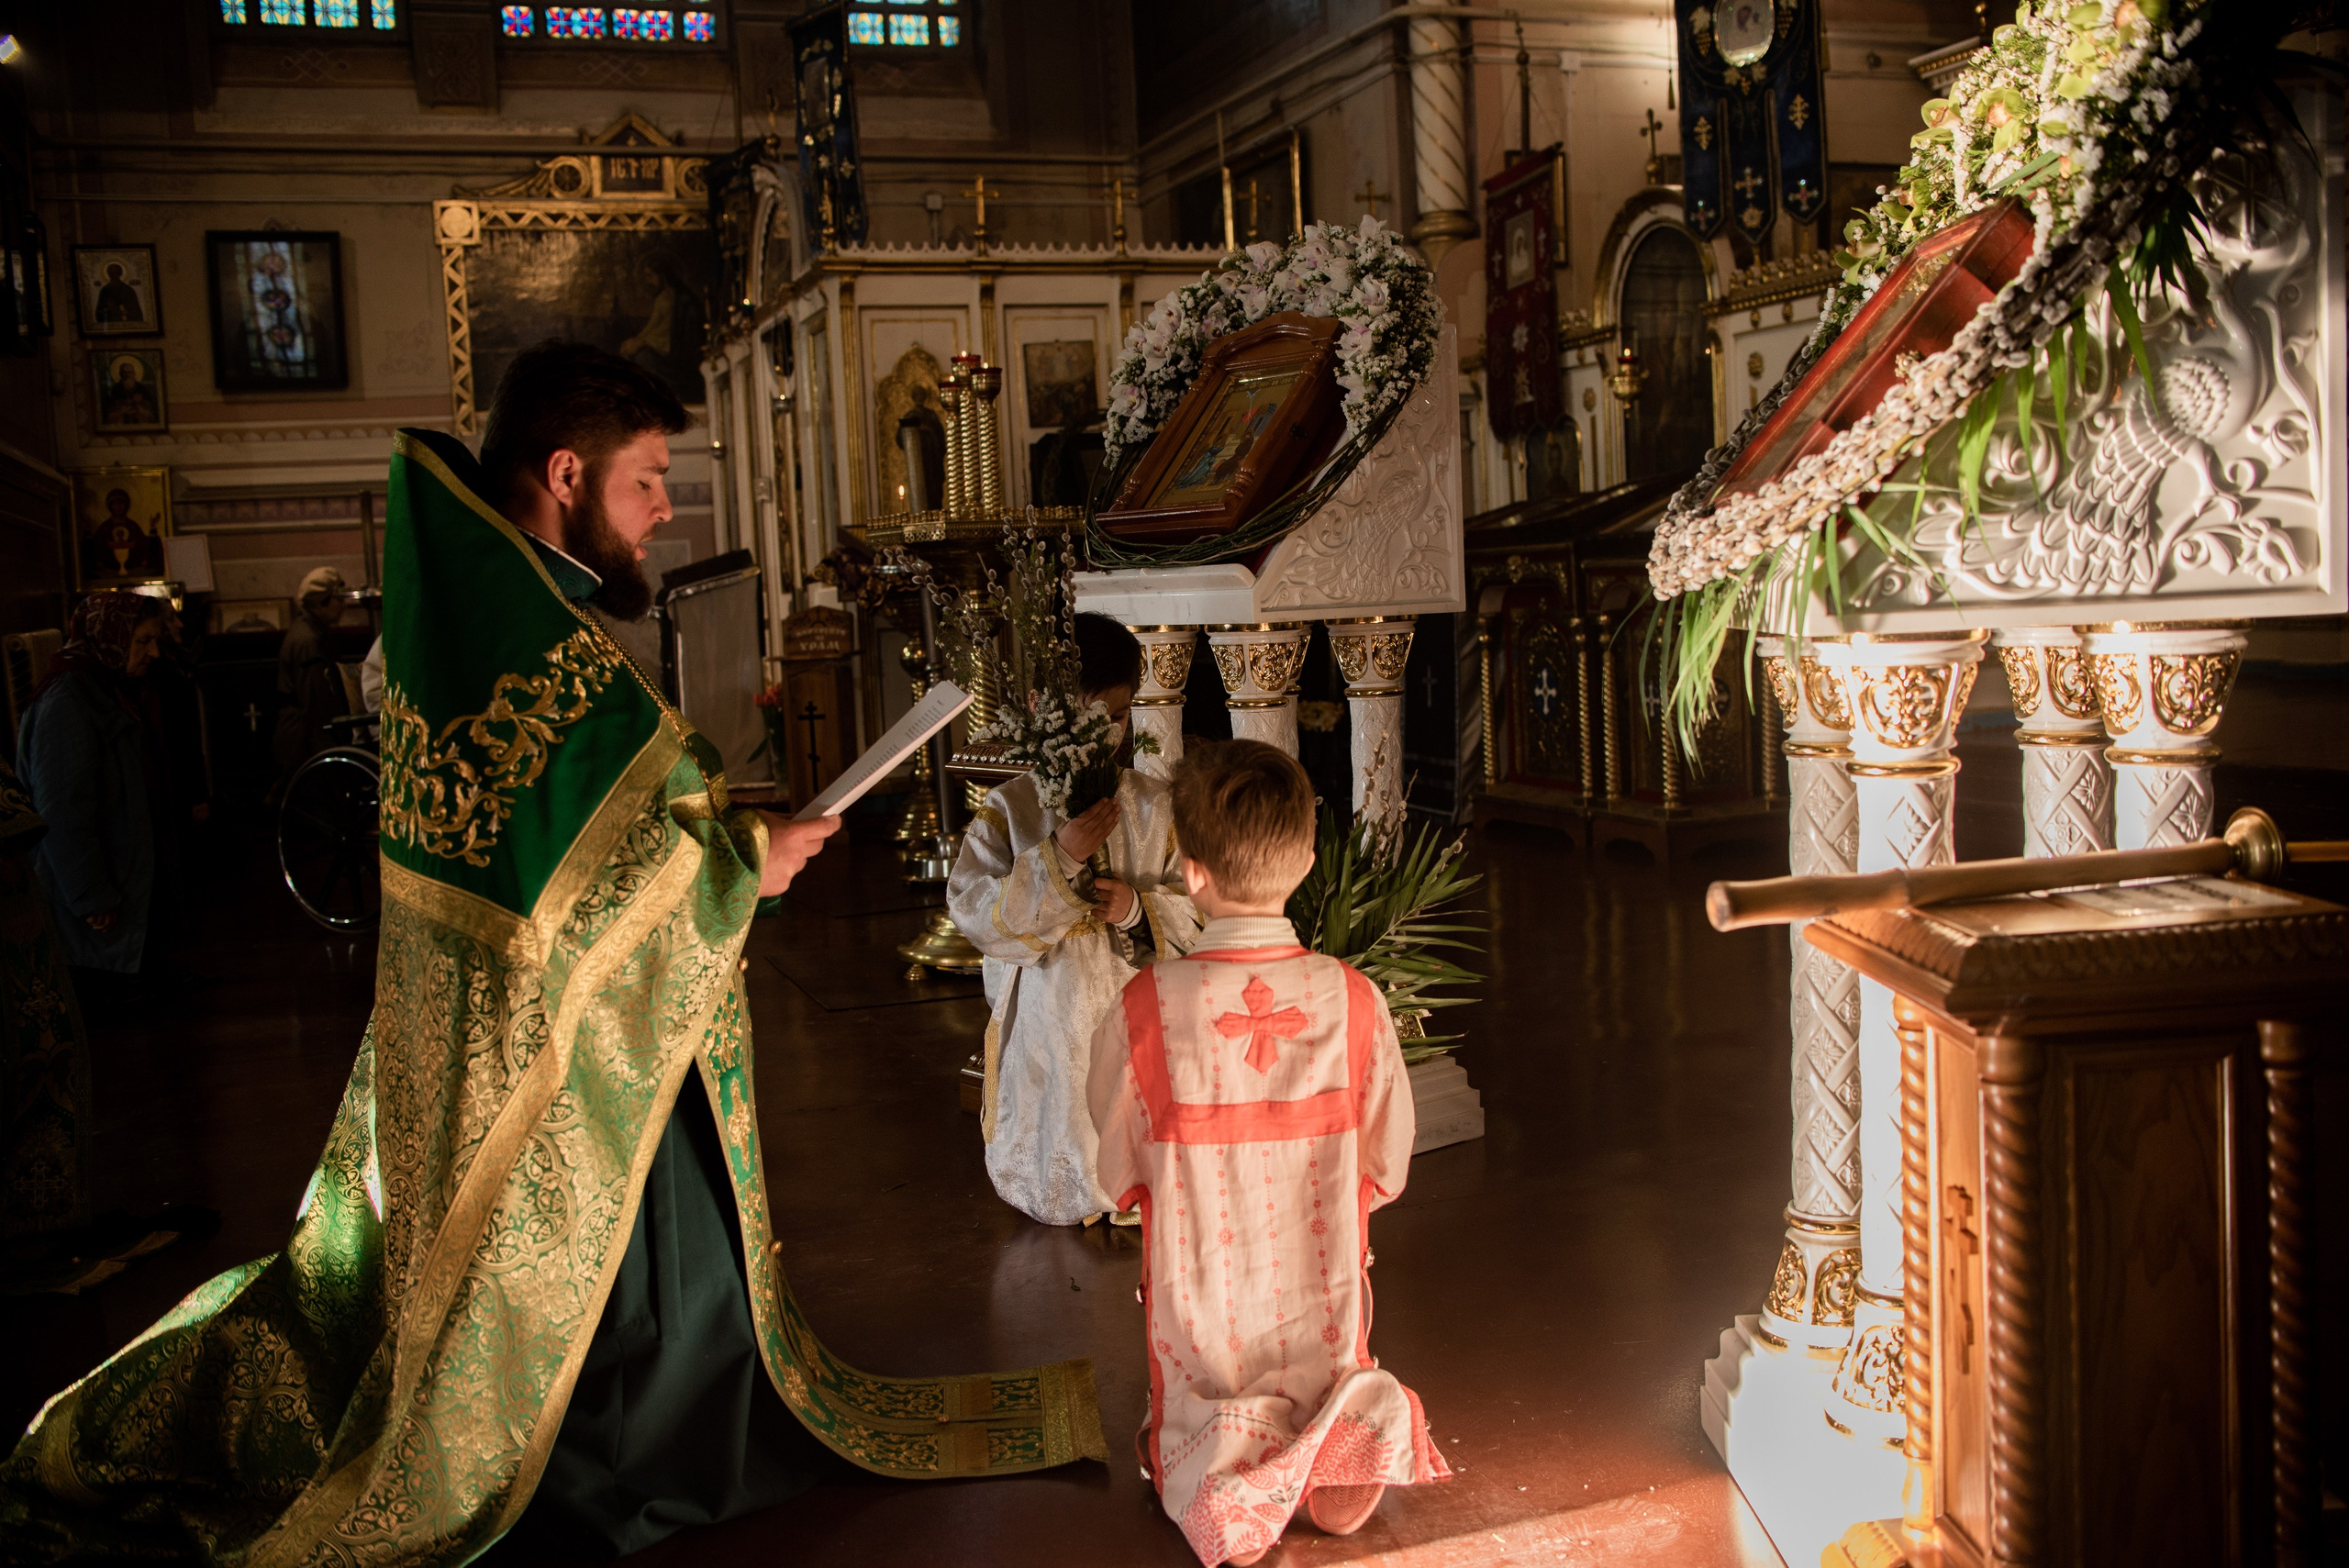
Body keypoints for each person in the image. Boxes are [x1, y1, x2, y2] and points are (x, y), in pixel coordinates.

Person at [0, 340, 1106, 1564]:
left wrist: (734, 848)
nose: (667, 510)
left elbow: (574, 843)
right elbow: (564, 868)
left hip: (589, 1036)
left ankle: (656, 1438)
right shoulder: (523, 638)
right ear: (568, 470)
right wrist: (743, 860)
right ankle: (615, 1462)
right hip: (561, 1065)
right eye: (648, 479)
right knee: (598, 1320)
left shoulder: (507, 611)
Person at [1090, 740, 1449, 1568]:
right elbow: (1388, 1162)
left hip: (1201, 1303)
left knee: (1194, 1395)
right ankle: (1331, 1442)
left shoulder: (1148, 1005)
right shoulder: (1351, 997)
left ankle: (1227, 1462)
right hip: (1318, 1299)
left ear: (1191, 871)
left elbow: (1116, 1169)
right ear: (1308, 858)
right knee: (1334, 1359)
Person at [946, 615, 1200, 1226]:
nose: (1105, 732)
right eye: (1088, 714)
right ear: (1041, 706)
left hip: (1132, 1004)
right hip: (1048, 1018)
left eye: (1117, 716)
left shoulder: (1155, 806)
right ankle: (1059, 1185)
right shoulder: (1012, 808)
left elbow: (1200, 904)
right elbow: (972, 909)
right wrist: (1060, 860)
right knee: (1064, 1100)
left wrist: (1138, 909)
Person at [13, 591, 169, 984]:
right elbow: (62, 810)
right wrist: (91, 895)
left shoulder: (106, 684)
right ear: (111, 637)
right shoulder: (68, 699)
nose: (154, 653)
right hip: (89, 906)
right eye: (143, 641)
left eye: (156, 641)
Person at [272, 564, 351, 789]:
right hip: (302, 736)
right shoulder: (308, 640)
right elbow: (315, 701)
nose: (343, 606)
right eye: (338, 600)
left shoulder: (312, 632)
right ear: (321, 602)